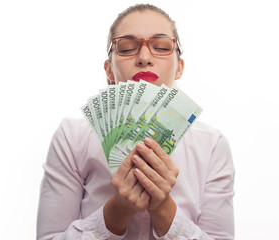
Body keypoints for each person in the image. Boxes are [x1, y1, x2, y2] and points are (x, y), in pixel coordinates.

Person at [37, 4, 235, 240]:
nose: (144, 57)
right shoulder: (72, 138)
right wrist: (118, 211)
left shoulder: (211, 145)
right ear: (108, 69)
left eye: (161, 46)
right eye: (127, 47)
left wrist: (163, 207)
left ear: (179, 67)